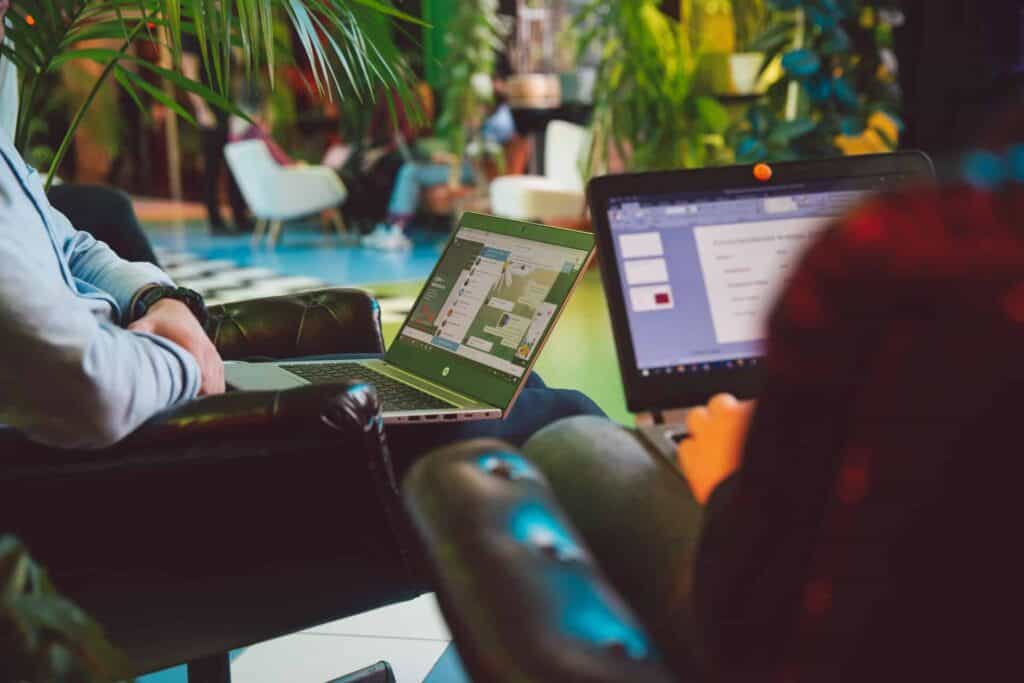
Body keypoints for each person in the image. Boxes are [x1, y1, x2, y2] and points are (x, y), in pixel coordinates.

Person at [361, 82, 518, 251]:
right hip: (464, 166)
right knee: (410, 169)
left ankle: (397, 230)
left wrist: (458, 151)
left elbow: (483, 158)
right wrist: (449, 157)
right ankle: (394, 228)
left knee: (410, 172)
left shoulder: (499, 122)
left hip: (473, 172)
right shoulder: (490, 118)